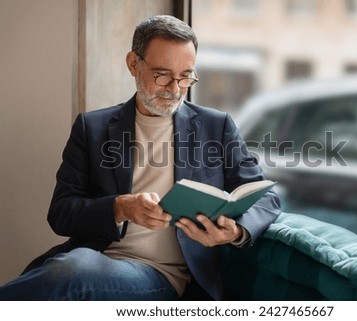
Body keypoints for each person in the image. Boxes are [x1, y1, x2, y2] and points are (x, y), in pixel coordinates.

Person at [0, 15, 280, 300]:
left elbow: (266, 197)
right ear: (134, 64)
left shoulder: (216, 126)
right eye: (162, 75)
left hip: (163, 277)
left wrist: (234, 232)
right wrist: (120, 208)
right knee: (73, 267)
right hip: (95, 259)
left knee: (72, 271)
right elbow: (61, 213)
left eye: (186, 76)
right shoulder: (92, 128)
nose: (175, 89)